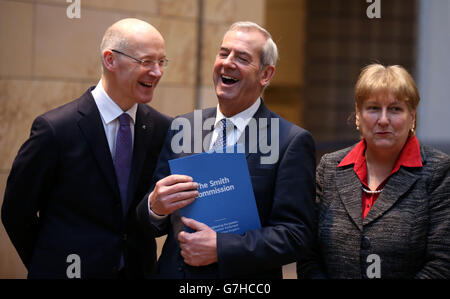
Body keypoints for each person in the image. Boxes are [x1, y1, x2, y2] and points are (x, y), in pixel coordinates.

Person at [136, 21, 316, 279]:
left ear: (266, 75)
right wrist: (155, 207)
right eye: (223, 53)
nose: (227, 62)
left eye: (242, 58)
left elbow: (296, 235)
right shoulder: (184, 127)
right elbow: (149, 221)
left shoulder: (290, 141)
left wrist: (222, 248)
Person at [1, 18, 172, 279]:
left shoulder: (163, 128)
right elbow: (16, 212)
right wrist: (49, 266)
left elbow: (155, 221)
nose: (157, 72)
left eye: (161, 62)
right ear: (110, 60)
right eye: (146, 61)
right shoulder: (55, 129)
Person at [297, 64, 450, 279]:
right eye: (373, 108)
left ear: (412, 117)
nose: (384, 119)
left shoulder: (439, 172)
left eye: (395, 109)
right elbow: (309, 253)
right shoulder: (329, 167)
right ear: (358, 115)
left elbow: (442, 263)